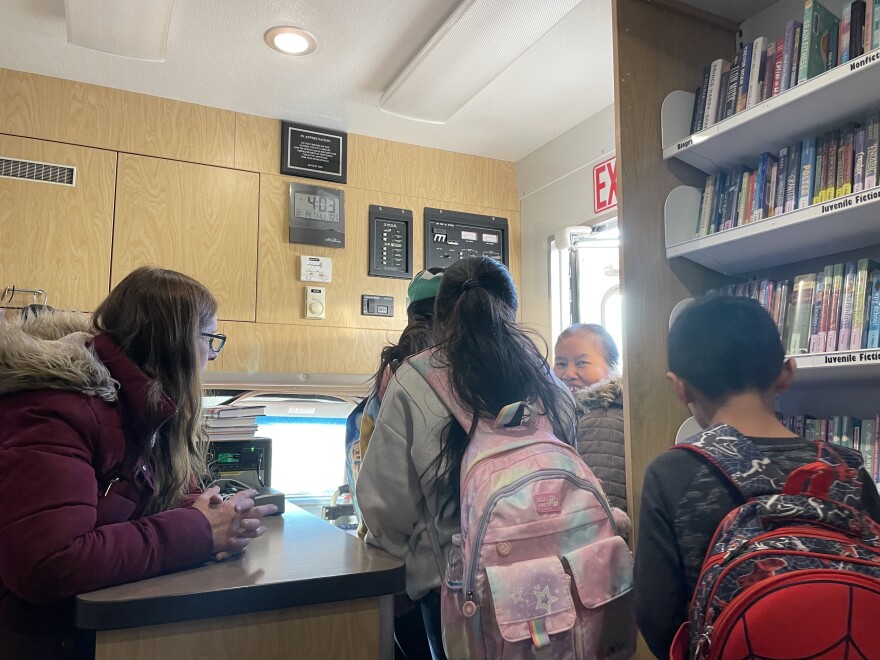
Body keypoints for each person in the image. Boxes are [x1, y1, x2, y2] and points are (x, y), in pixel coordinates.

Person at [0, 266, 278, 659]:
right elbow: (46, 564)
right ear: (175, 343)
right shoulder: (58, 406)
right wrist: (198, 530)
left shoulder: (143, 406)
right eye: (210, 338)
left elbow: (120, 507)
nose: (213, 353)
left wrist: (206, 513)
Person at [634, 295, 880, 658]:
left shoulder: (671, 474)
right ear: (786, 374)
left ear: (679, 386)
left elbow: (658, 618)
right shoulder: (850, 470)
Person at [356, 256, 576, 660]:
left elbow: (384, 508)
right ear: (510, 312)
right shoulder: (550, 384)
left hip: (455, 592)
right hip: (554, 574)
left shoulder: (415, 379)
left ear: (440, 318)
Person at [347, 267, 444, 660]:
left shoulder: (391, 375)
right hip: (445, 571)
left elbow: (374, 488)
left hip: (395, 561)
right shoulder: (463, 375)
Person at [554, 323, 627, 511]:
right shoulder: (572, 415)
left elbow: (601, 509)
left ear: (611, 368)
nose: (568, 374)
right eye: (561, 363)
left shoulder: (603, 420)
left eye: (582, 363)